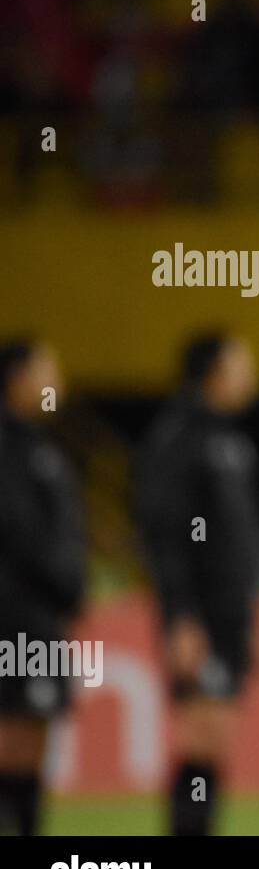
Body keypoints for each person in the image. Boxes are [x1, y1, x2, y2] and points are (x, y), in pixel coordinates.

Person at [134, 333, 259, 835]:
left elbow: (243, 540)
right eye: (242, 363)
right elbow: (165, 538)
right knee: (201, 736)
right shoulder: (177, 440)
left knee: (217, 736)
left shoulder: (231, 441)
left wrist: (249, 616)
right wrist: (181, 616)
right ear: (214, 371)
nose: (251, 375)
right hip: (201, 617)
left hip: (229, 618)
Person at [0, 340, 86, 835]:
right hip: (14, 617)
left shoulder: (43, 448)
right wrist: (64, 582)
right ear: (16, 376)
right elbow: (24, 533)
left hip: (42, 618)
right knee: (11, 735)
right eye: (46, 369)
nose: (57, 380)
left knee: (32, 741)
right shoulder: (13, 451)